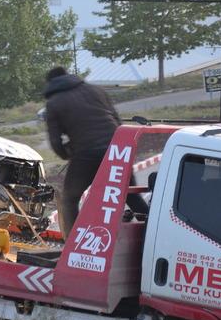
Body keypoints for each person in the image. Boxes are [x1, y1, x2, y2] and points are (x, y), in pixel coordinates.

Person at [43, 66, 148, 238]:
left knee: (70, 200)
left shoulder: (53, 103)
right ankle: (153, 233)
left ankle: (73, 241)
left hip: (86, 154)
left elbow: (55, 141)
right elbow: (117, 121)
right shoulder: (96, 90)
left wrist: (67, 154)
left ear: (51, 83)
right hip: (117, 150)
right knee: (130, 194)